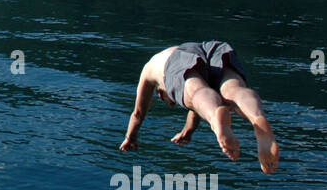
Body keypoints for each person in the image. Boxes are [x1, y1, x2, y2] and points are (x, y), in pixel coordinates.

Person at [120, 41, 280, 174]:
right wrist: (188, 131)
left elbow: (138, 113)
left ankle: (216, 123)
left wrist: (130, 138)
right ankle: (257, 117)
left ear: (160, 93)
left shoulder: (150, 71)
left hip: (178, 60)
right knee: (233, 90)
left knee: (196, 92)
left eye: (171, 101)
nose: (173, 102)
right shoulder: (172, 51)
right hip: (214, 47)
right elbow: (196, 108)